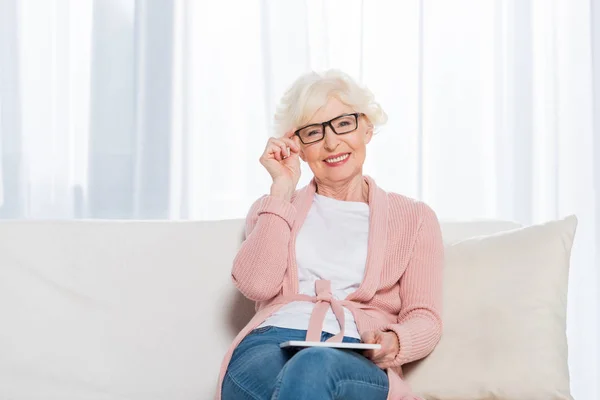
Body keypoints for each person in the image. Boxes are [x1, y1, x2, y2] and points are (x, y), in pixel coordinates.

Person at [215, 69, 444, 400]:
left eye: (343, 124)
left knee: (313, 367)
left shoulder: (414, 218)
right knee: (298, 375)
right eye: (313, 132)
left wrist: (394, 341)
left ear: (367, 127)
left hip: (353, 353)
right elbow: (256, 285)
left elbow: (425, 317)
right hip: (269, 345)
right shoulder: (276, 208)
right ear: (298, 146)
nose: (331, 142)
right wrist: (281, 188)